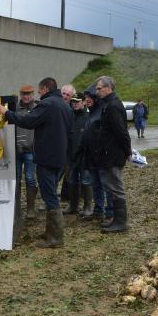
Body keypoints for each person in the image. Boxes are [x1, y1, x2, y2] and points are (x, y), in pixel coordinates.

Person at [0, 77, 72, 248]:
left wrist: (6, 113)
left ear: (45, 88)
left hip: (46, 157)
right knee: (51, 192)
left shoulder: (47, 104)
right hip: (60, 158)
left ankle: (56, 238)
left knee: (49, 195)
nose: (38, 94)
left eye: (39, 90)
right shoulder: (65, 106)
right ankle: (50, 232)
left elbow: (28, 121)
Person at [89, 76, 132, 233]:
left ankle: (121, 222)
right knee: (111, 187)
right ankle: (116, 219)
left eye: (99, 88)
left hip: (113, 155)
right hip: (108, 154)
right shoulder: (108, 104)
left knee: (116, 187)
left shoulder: (113, 106)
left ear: (109, 88)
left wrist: (127, 151)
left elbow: (121, 131)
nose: (97, 91)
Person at [80, 87, 111, 222]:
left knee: (106, 185)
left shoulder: (102, 111)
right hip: (91, 157)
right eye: (86, 98)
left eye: (90, 97)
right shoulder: (91, 113)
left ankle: (111, 212)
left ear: (96, 98)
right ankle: (99, 210)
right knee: (96, 185)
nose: (87, 100)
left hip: (102, 157)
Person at [64, 92, 92, 215]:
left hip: (85, 156)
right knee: (71, 181)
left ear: (84, 102)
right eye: (73, 102)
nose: (75, 104)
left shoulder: (88, 117)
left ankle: (87, 207)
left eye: (77, 102)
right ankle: (73, 205)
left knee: (86, 181)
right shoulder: (69, 116)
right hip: (70, 156)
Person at [15, 84, 39, 219]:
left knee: (30, 179)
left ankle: (31, 208)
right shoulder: (14, 108)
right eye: (24, 94)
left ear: (33, 95)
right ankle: (17, 208)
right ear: (20, 95)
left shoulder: (37, 109)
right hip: (16, 150)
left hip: (30, 150)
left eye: (29, 94)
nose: (26, 96)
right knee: (16, 179)